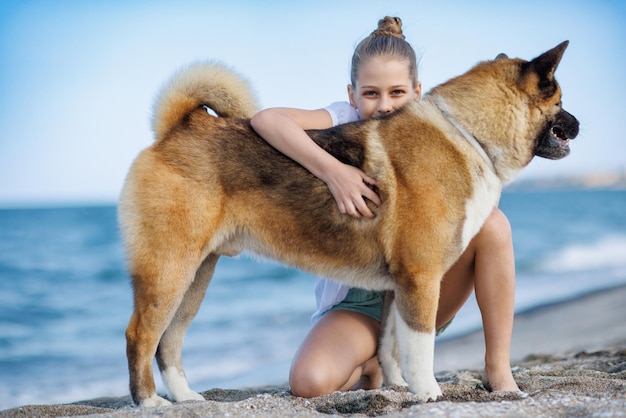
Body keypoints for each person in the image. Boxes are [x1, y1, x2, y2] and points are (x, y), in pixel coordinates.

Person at [250, 16, 521, 398]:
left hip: (423, 284)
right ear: (352, 94)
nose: (384, 105)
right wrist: (333, 172)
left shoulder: (430, 128)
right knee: (310, 384)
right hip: (356, 299)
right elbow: (266, 120)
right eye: (371, 94)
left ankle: (498, 368)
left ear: (417, 91)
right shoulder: (341, 120)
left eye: (397, 92)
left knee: (494, 226)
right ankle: (375, 361)